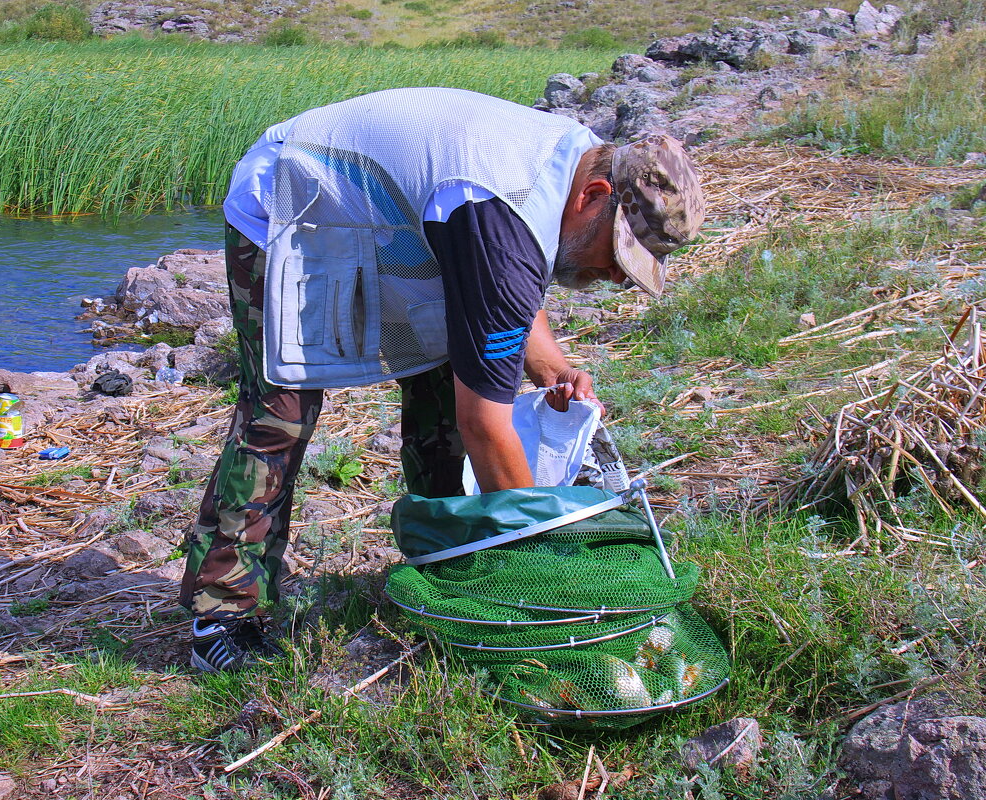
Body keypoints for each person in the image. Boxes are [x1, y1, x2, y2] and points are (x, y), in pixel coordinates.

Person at [179, 87, 704, 672]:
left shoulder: (574, 165)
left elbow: (508, 285)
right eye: (616, 253)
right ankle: (221, 613)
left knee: (443, 394)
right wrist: (543, 558)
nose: (609, 274)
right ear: (595, 196)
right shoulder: (505, 200)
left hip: (398, 226)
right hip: (296, 204)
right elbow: (488, 421)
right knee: (280, 413)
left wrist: (551, 366)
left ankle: (452, 559)